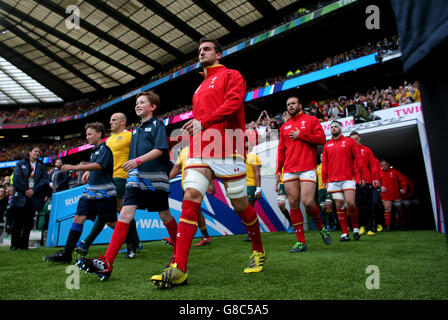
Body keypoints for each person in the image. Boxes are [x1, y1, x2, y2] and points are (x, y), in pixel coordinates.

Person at [151, 38, 266, 288]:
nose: (201, 53)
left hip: (228, 148)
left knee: (240, 205)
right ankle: (179, 267)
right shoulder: (198, 88)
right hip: (200, 150)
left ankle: (258, 249)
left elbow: (234, 103)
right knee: (191, 195)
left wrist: (205, 122)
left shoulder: (231, 75)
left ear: (219, 54)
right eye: (199, 50)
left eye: (207, 49)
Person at [76, 91, 178, 281]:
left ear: (153, 107)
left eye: (142, 102)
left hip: (155, 178)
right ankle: (107, 263)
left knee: (164, 215)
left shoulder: (157, 125)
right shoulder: (136, 131)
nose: (137, 105)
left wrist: (137, 161)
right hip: (135, 178)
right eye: (136, 103)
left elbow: (160, 149)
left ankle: (178, 255)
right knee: (124, 213)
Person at [43, 122, 117, 264]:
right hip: (89, 193)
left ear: (99, 134)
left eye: (89, 134)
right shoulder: (95, 151)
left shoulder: (105, 149)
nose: (87, 137)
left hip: (104, 194)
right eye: (86, 134)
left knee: (113, 223)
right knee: (77, 218)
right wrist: (88, 172)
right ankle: (66, 254)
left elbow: (99, 165)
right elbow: (95, 167)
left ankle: (132, 241)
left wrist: (76, 167)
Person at [75, 113, 141, 259]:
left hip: (121, 176)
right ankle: (134, 241)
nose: (110, 122)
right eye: (110, 119)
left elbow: (139, 153)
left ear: (123, 122)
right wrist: (87, 170)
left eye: (114, 119)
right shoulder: (108, 140)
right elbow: (100, 160)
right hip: (107, 178)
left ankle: (86, 242)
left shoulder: (129, 136)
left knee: (107, 210)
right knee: (121, 210)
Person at [276, 96, 332, 253]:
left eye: (293, 103)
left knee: (307, 202)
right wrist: (278, 170)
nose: (291, 106)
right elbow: (281, 150)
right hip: (289, 169)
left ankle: (321, 227)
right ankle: (301, 241)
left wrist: (302, 136)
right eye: (288, 104)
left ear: (300, 105)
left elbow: (322, 139)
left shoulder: (311, 120)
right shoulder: (284, 127)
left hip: (307, 167)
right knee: (293, 203)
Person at [321, 120, 367, 242]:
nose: (334, 128)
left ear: (340, 128)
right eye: (332, 127)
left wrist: (362, 175)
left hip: (348, 178)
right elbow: (324, 163)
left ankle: (356, 229)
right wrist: (324, 179)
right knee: (339, 205)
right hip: (333, 180)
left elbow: (358, 159)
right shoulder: (327, 145)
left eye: (336, 126)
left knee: (351, 203)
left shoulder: (349, 141)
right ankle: (345, 233)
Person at [169, 144, 212, 247]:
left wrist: (211, 183)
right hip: (186, 186)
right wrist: (166, 179)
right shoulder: (183, 150)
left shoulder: (201, 148)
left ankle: (180, 239)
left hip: (197, 185)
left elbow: (209, 166)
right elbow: (176, 168)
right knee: (196, 211)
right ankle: (206, 236)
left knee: (187, 211)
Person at [10, 146, 48, 250]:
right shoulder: (20, 164)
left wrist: (33, 190)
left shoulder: (42, 166)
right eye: (35, 151)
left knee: (28, 222)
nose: (37, 153)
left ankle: (24, 245)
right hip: (21, 196)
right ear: (30, 152)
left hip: (33, 197)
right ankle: (14, 244)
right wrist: (25, 190)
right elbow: (17, 179)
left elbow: (44, 181)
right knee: (17, 222)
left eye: (39, 152)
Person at [349, 131, 380, 236]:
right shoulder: (348, 152)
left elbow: (373, 165)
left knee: (368, 205)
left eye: (356, 138)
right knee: (357, 205)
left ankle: (370, 227)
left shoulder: (366, 150)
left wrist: (375, 178)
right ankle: (361, 226)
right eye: (353, 139)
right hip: (354, 182)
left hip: (367, 181)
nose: (355, 140)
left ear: (360, 138)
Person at [379, 159, 407, 232]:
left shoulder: (395, 172)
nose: (383, 166)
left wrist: (404, 188)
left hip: (396, 194)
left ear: (388, 164)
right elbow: (375, 182)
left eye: (384, 165)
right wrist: (380, 187)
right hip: (385, 195)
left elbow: (403, 179)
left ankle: (403, 224)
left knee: (399, 210)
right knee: (387, 209)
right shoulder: (379, 173)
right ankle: (387, 226)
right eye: (381, 165)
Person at [244, 142, 262, 242]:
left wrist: (258, 189)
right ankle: (251, 233)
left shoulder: (252, 156)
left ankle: (252, 233)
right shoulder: (241, 157)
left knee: (249, 211)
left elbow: (257, 174)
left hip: (250, 186)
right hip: (245, 186)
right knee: (246, 211)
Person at [316, 154, 335, 231]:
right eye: (320, 156)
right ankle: (332, 221)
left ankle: (328, 225)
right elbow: (315, 178)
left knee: (328, 205)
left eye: (323, 156)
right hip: (320, 189)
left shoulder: (330, 165)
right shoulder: (317, 167)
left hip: (328, 188)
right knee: (323, 208)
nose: (322, 157)